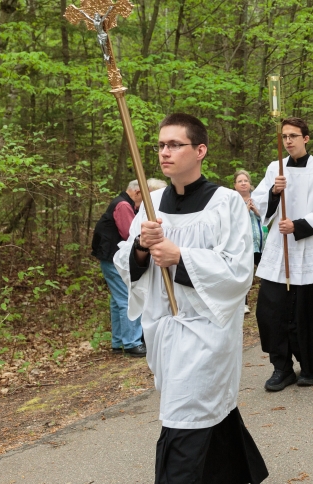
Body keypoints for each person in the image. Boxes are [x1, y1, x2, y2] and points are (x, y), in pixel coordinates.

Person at [114, 113, 268, 483]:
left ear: (200, 150)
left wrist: (180, 257)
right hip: (164, 330)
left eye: (174, 145)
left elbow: (237, 271)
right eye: (161, 145)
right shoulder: (150, 205)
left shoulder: (226, 203)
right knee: (206, 411)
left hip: (206, 332)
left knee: (183, 418)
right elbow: (125, 262)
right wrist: (140, 247)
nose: (164, 153)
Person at [252, 116, 313, 391]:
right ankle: (282, 367)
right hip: (281, 249)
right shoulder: (274, 168)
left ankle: (309, 366)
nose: (287, 141)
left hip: (310, 244)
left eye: (293, 136)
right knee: (273, 309)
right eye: (284, 137)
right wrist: (273, 192)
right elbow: (257, 202)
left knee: (308, 310)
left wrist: (298, 225)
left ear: (306, 138)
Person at [91, 178, 164, 357]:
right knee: (126, 297)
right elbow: (129, 233)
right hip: (114, 258)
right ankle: (132, 343)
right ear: (138, 192)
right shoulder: (124, 205)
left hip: (109, 257)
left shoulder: (123, 202)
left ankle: (118, 342)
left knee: (117, 301)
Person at [235, 170, 264, 314]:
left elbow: (268, 217)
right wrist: (245, 211)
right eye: (240, 181)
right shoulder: (233, 201)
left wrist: (257, 212)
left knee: (266, 271)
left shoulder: (257, 199)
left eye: (245, 180)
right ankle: (244, 304)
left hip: (259, 243)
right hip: (243, 245)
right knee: (244, 274)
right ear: (235, 185)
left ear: (250, 184)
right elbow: (232, 223)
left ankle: (266, 300)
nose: (243, 183)